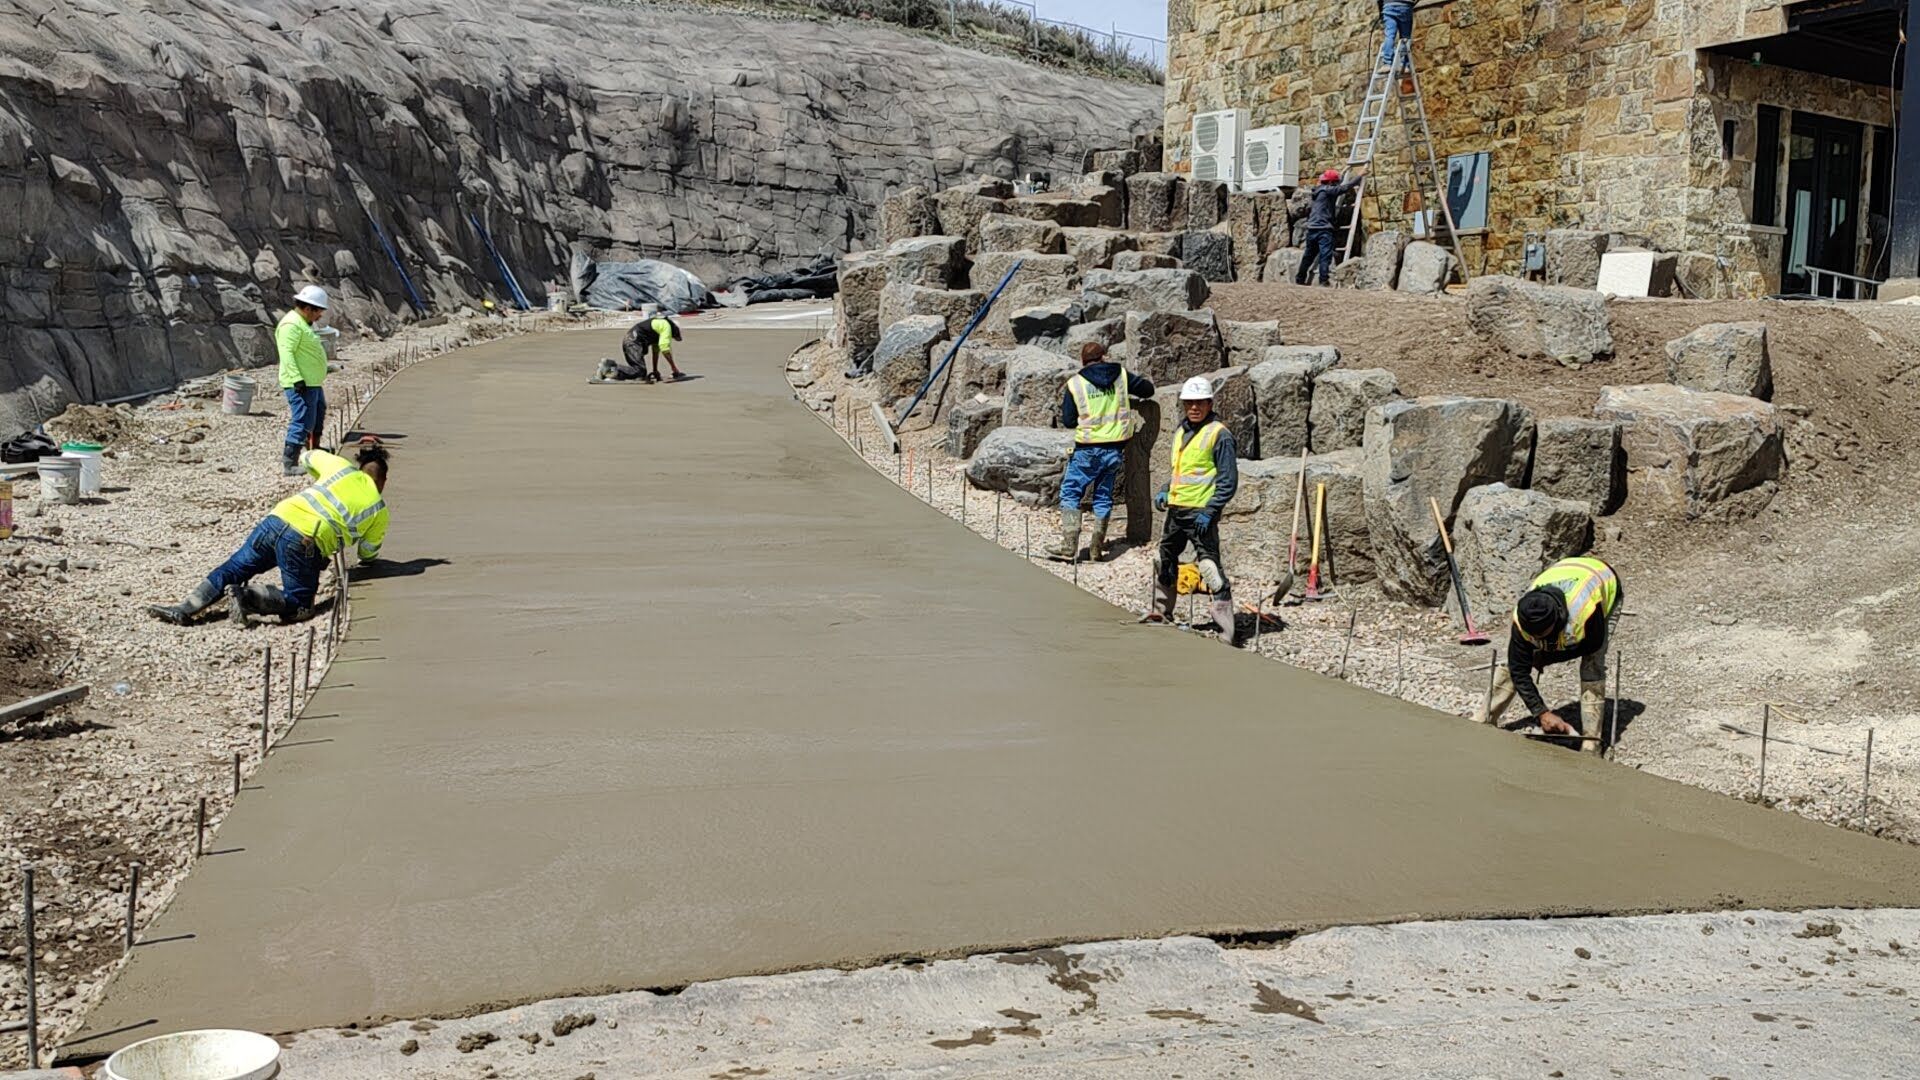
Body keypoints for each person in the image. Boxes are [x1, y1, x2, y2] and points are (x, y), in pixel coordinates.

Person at [148, 441, 391, 627]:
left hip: (277, 518)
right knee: (301, 606)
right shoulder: (379, 510)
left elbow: (308, 457)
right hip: (305, 539)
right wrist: (368, 561)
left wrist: (320, 470)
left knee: (235, 566)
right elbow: (367, 553)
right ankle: (247, 596)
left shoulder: (339, 466)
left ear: (361, 467)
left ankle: (186, 607)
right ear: (383, 480)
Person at [1474, 556, 1623, 754]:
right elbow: (1519, 669)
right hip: (1567, 570)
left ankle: (1591, 743)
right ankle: (1483, 718)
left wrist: (1546, 657)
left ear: (1556, 621)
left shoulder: (1584, 610)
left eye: (1540, 636)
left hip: (1604, 584)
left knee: (1592, 666)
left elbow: (1591, 645)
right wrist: (1541, 712)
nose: (1535, 639)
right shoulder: (1524, 616)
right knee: (1514, 664)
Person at [1147, 377, 1241, 646]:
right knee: (1165, 558)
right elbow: (1181, 471)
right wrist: (1166, 489)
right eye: (1189, 403)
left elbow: (1228, 481)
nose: (1194, 408)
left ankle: (1227, 630)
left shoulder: (1219, 435)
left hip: (1201, 512)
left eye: (1199, 403)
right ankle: (1161, 611)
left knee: (1209, 567)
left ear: (1209, 403)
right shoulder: (1181, 431)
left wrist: (1211, 510)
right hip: (1177, 509)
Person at [1047, 341, 1154, 563]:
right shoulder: (1121, 376)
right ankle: (1096, 547)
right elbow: (1148, 390)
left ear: (1083, 361)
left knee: (1071, 492)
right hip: (1115, 449)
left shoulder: (1076, 384)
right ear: (1103, 357)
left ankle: (1069, 544)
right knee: (1103, 496)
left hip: (1087, 449)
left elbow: (1068, 420)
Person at [277, 285, 332, 475]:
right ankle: (290, 462)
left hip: (312, 382)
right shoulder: (290, 325)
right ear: (308, 308)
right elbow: (287, 353)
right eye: (319, 312)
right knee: (302, 419)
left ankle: (314, 450)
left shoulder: (302, 323)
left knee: (317, 413)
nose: (320, 316)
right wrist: (296, 378)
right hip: (301, 383)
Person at [1295, 167, 1366, 287]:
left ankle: (1300, 278)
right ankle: (1323, 280)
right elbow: (1344, 188)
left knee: (1308, 255)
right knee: (1325, 255)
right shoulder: (1328, 191)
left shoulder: (1317, 191)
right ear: (1331, 183)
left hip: (1312, 227)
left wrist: (1344, 173)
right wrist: (1359, 175)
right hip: (1323, 228)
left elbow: (1338, 184)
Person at [1378, 1, 1415, 71]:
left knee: (1389, 35)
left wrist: (1381, 12)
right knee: (1405, 37)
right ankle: (1403, 64)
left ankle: (1387, 63)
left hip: (1389, 6)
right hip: (1405, 6)